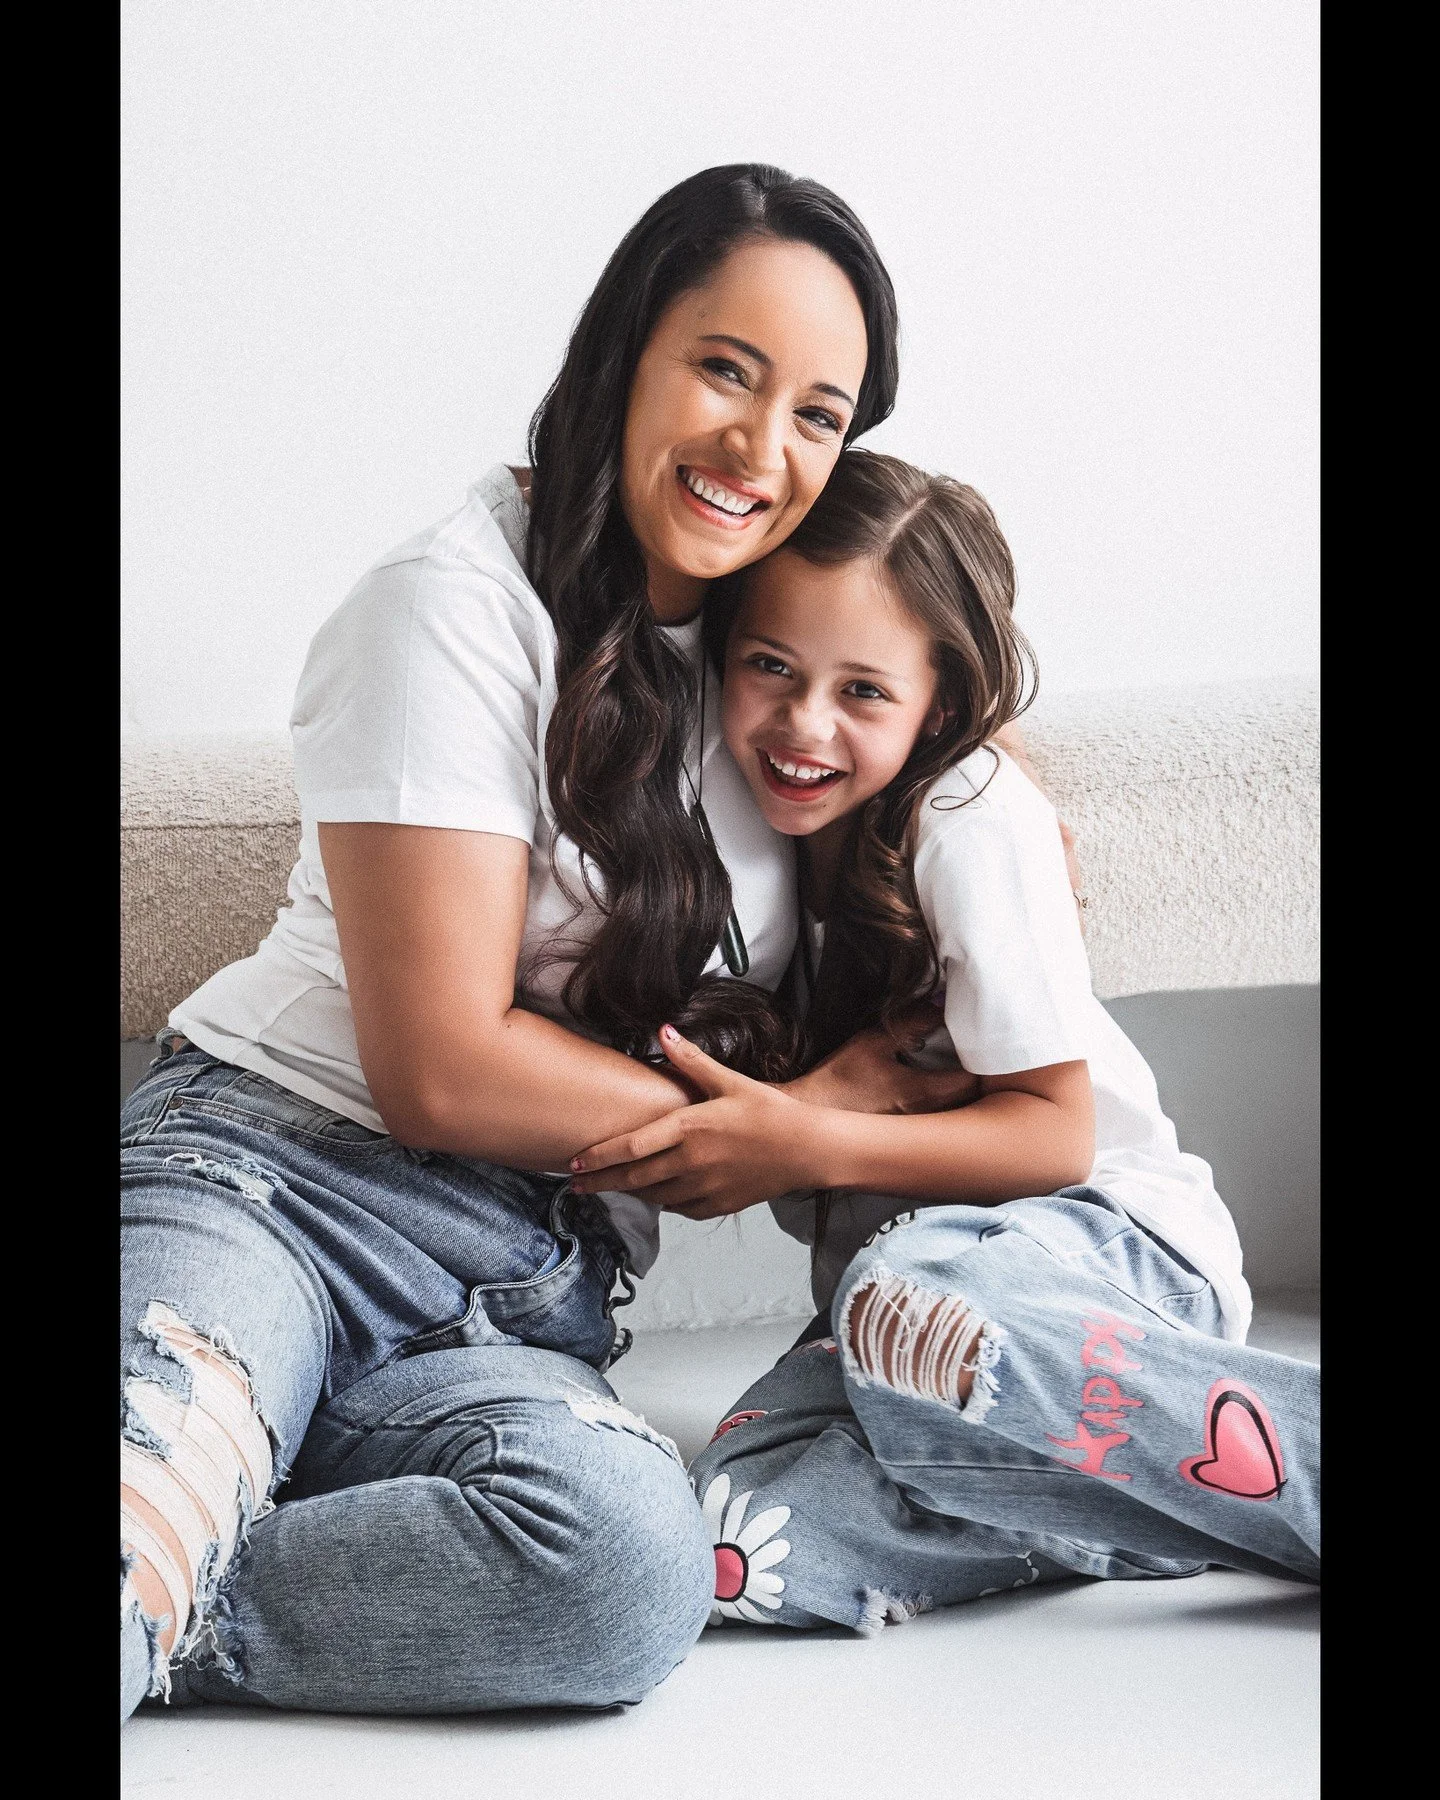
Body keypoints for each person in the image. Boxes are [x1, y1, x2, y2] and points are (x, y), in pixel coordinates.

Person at [120, 164, 964, 1722]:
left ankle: (196, 1567)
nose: (761, 448)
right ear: (628, 347)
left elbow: (923, 695)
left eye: (819, 414)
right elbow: (438, 1067)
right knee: (142, 1515)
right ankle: (172, 1527)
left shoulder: (764, 668)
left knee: (627, 1567)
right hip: (280, 1183)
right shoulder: (448, 606)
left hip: (517, 1297)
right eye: (727, 369)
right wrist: (777, 1135)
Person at [568, 450, 1319, 1631]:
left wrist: (807, 1140)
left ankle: (1284, 1465)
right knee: (726, 1539)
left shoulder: (965, 813)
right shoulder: (724, 842)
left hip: (1090, 1257)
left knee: (907, 1298)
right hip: (903, 1344)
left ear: (939, 705)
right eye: (771, 666)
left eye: (863, 691)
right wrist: (804, 1113)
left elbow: (1053, 1136)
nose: (803, 725)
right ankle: (1137, 1503)